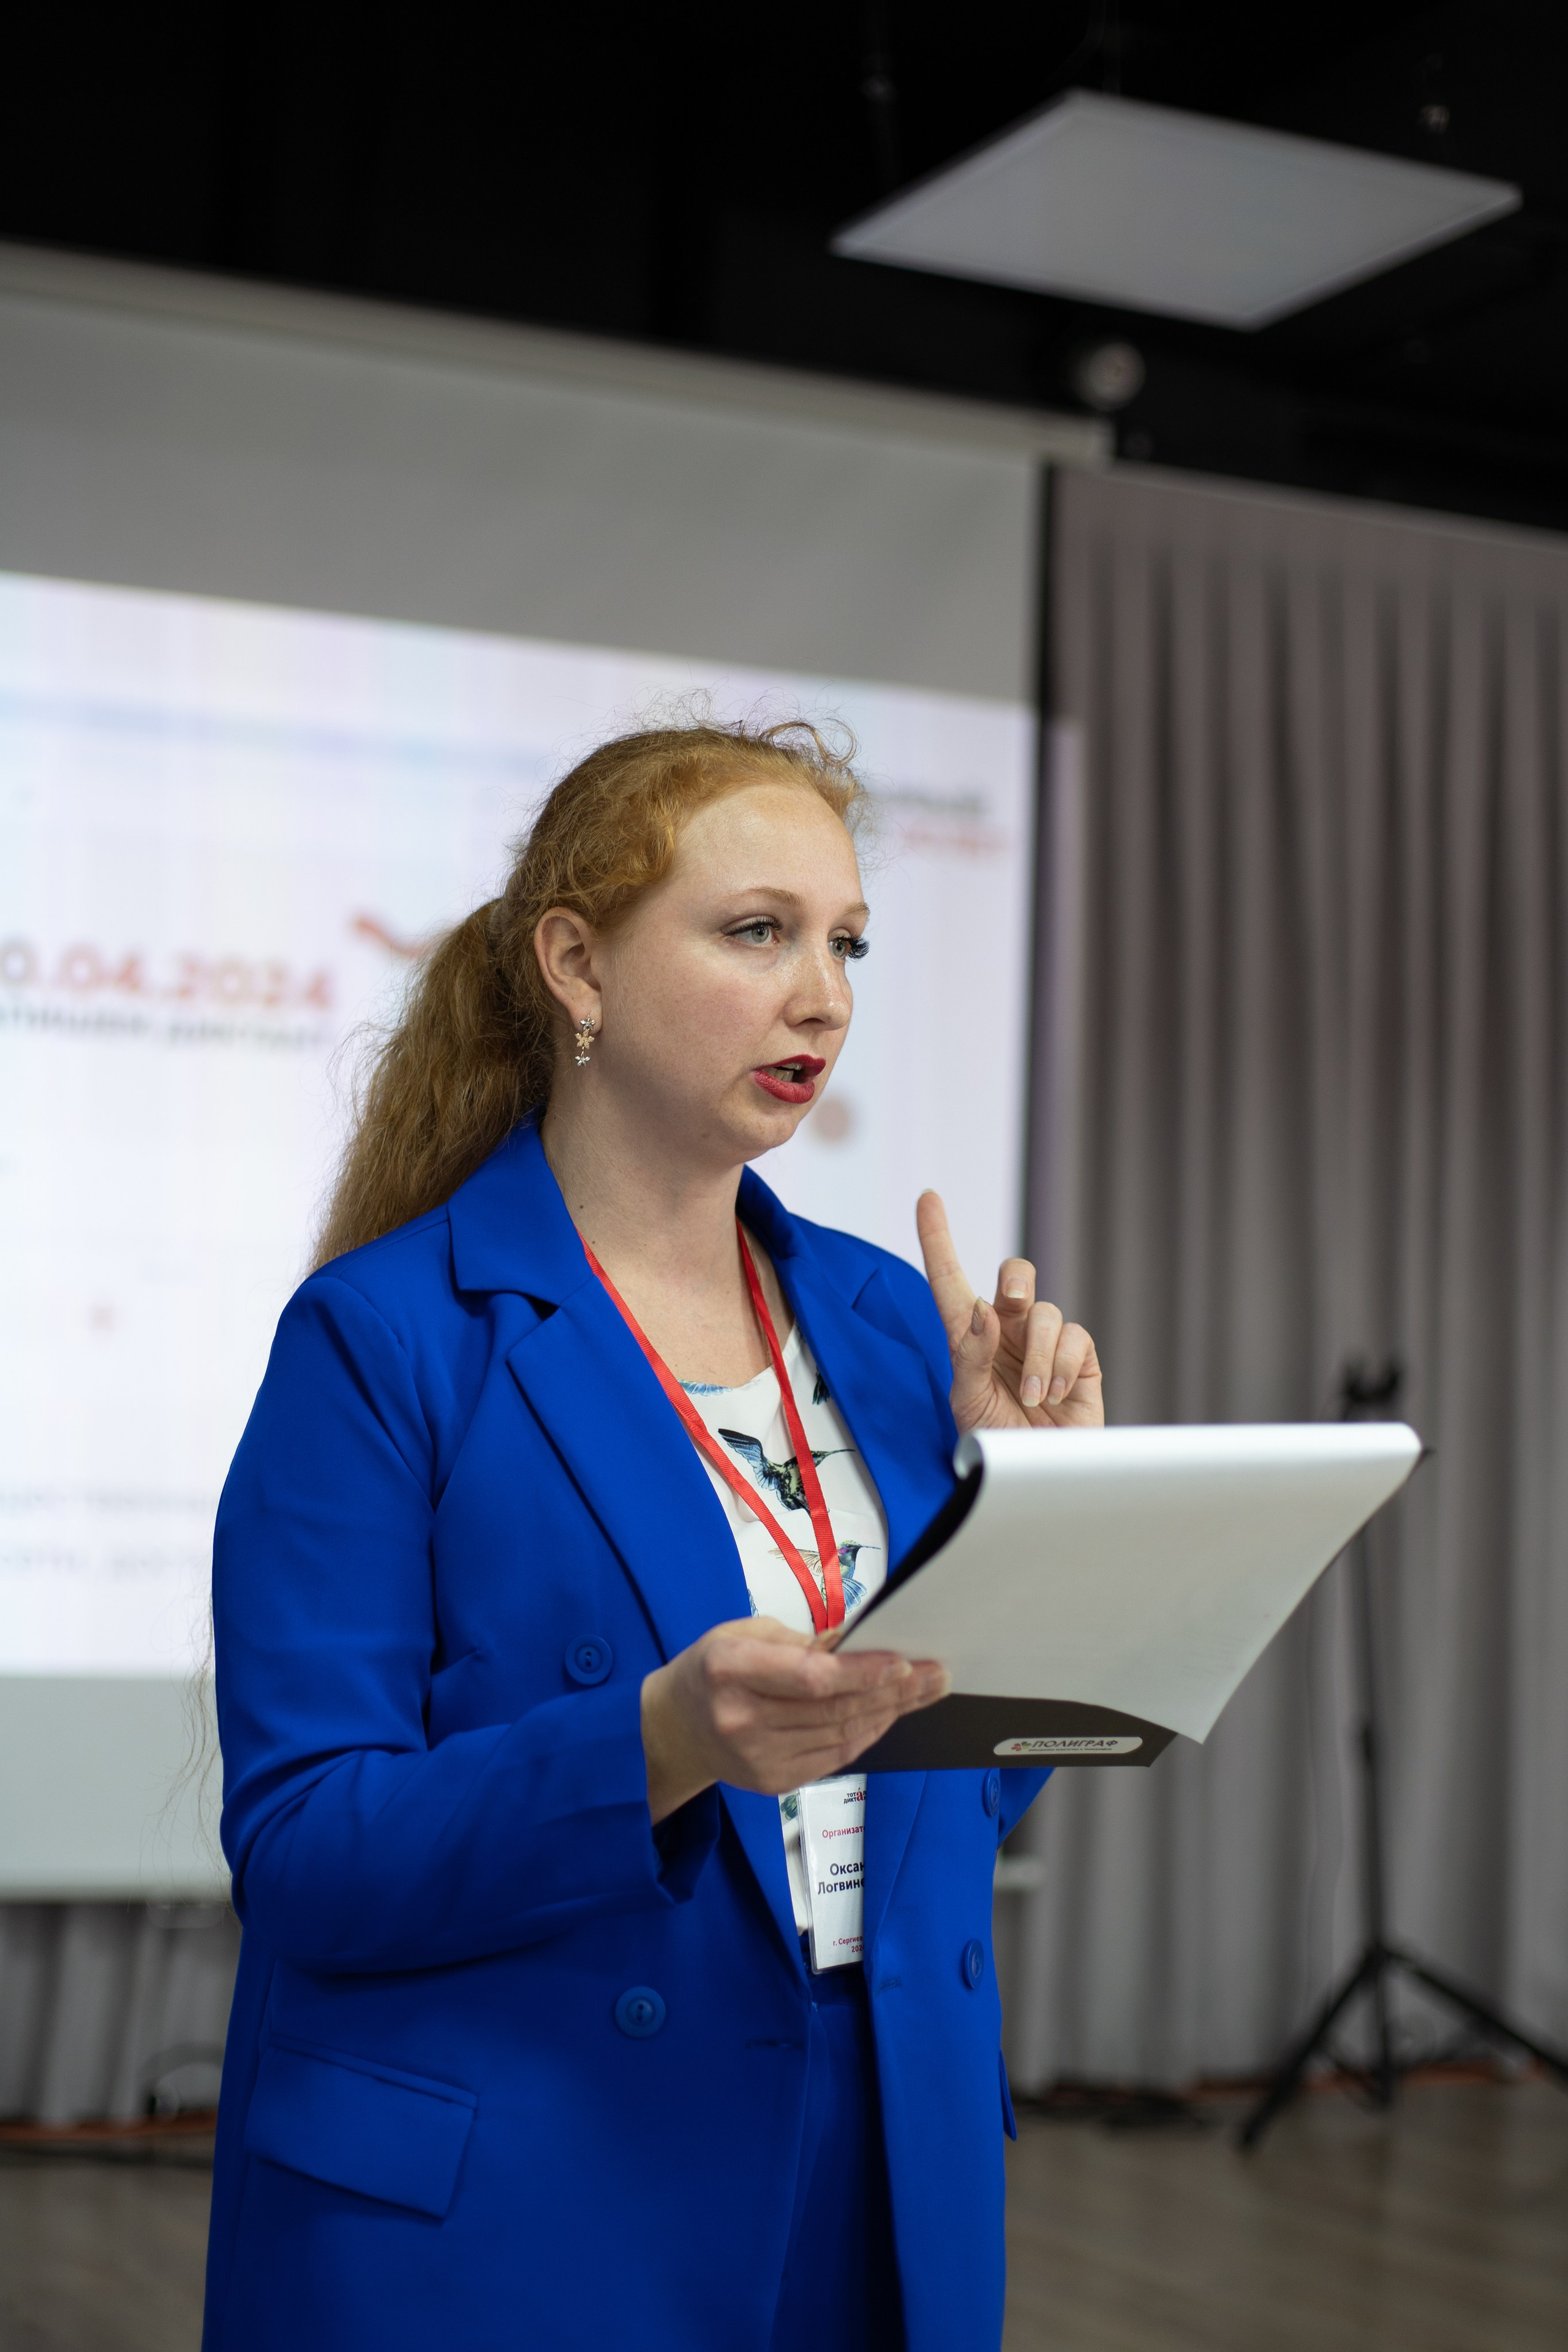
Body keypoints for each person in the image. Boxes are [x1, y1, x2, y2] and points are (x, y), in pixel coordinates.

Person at [202, 718, 1103, 2352]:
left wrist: (1026, 1511)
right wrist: (659, 1741)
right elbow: (309, 1856)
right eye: (758, 932)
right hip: (527, 2206)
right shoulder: (383, 1337)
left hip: (881, 2176)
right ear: (577, 965)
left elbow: (963, 1797)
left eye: (847, 941)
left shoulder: (899, 1329)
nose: (822, 994)